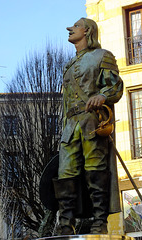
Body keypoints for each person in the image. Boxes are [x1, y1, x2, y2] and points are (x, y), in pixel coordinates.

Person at [53, 17, 123, 235]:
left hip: (91, 122)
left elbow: (116, 86)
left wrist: (102, 95)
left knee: (96, 169)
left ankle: (99, 220)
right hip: (70, 125)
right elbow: (66, 102)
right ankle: (66, 223)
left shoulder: (103, 56)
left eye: (75, 26)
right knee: (65, 173)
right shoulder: (68, 65)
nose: (70, 29)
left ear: (87, 31)